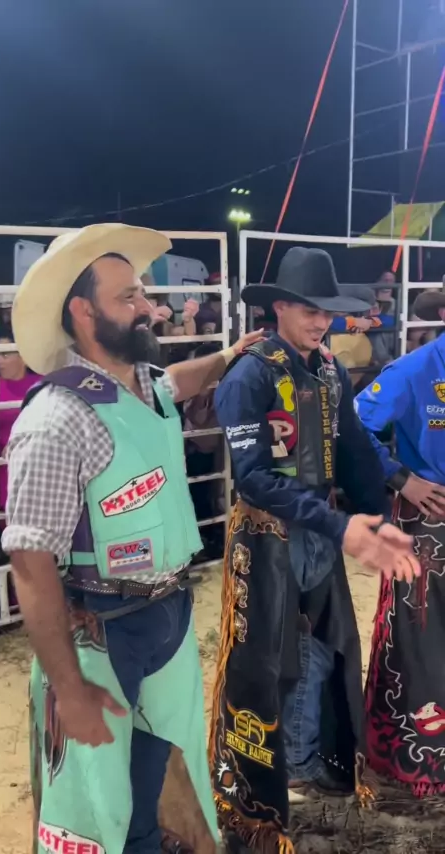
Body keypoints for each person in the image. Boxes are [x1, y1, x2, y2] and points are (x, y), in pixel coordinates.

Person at [2, 222, 261, 854]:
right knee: (94, 797)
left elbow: (182, 381)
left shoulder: (148, 385)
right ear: (83, 312)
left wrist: (229, 355)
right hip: (102, 626)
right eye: (129, 297)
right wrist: (69, 690)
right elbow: (31, 565)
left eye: (144, 293)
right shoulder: (56, 419)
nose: (150, 307)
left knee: (164, 766)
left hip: (167, 609)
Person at [208, 247, 420, 853]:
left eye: (326, 310)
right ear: (279, 307)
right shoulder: (249, 374)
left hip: (319, 526)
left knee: (324, 647)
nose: (321, 320)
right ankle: (259, 787)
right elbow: (252, 477)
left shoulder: (328, 370)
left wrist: (376, 517)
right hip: (267, 535)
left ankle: (304, 762)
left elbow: (352, 446)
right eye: (310, 309)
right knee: (265, 661)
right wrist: (343, 524)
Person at [355, 280, 445, 797]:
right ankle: (420, 756)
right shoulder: (414, 370)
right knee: (418, 638)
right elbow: (351, 424)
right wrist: (400, 477)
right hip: (429, 524)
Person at [0, 328, 41, 514]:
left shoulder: (42, 383)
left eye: (5, 355)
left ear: (24, 357)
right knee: (6, 519)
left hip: (36, 462)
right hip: (4, 466)